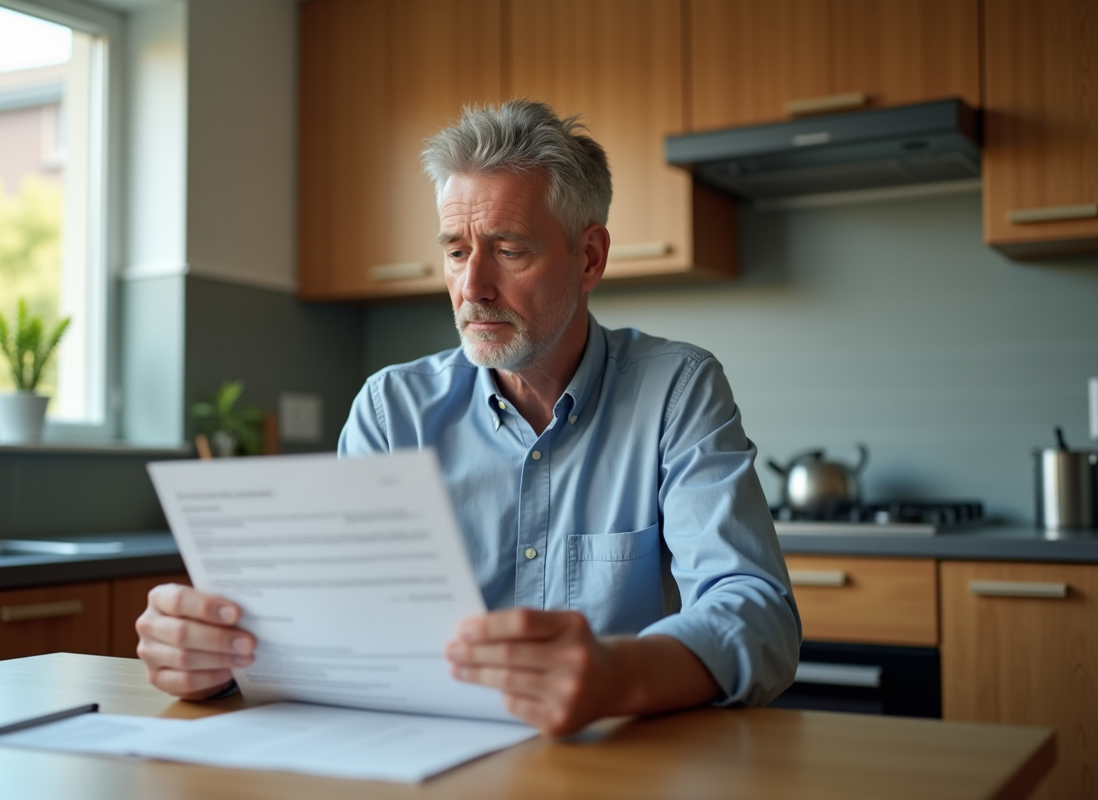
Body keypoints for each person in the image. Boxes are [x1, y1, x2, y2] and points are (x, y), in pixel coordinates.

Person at [136, 99, 801, 736]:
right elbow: (341, 624)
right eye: (457, 252)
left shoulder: (676, 390)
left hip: (614, 758)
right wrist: (218, 661)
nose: (472, 288)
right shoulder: (391, 411)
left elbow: (756, 609)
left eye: (509, 250)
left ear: (590, 258)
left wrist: (616, 674)